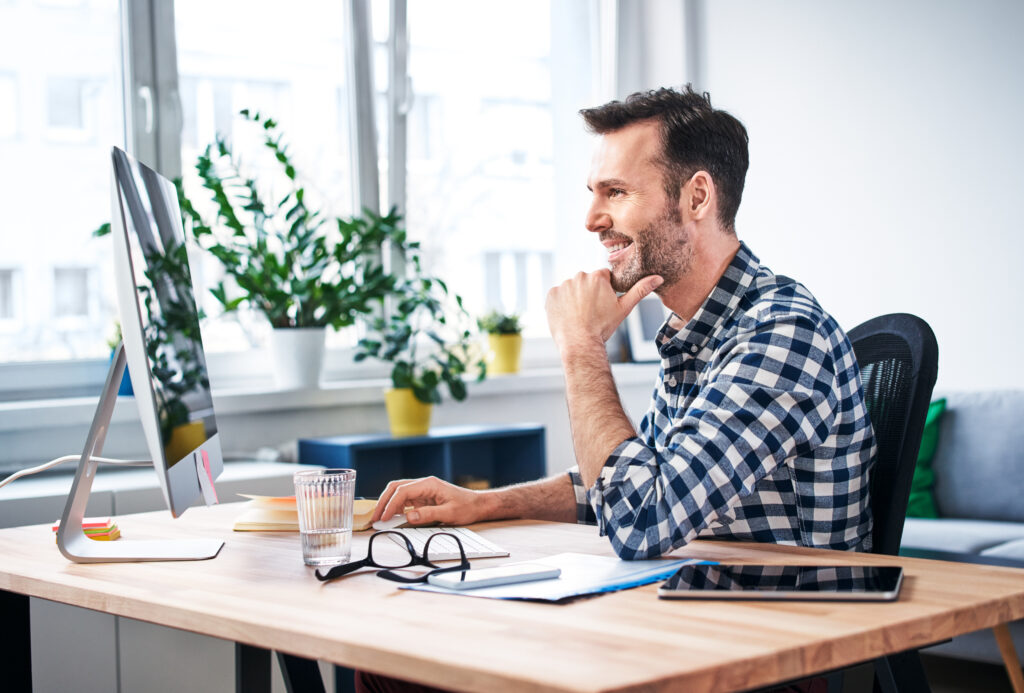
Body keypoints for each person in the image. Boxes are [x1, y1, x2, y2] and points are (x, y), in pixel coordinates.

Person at [370, 85, 877, 561]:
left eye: (615, 192)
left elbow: (640, 519)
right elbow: (628, 486)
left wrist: (581, 344)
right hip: (704, 610)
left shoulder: (780, 335)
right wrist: (484, 505)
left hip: (788, 632)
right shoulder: (698, 333)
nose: (591, 219)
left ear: (697, 197)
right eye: (594, 193)